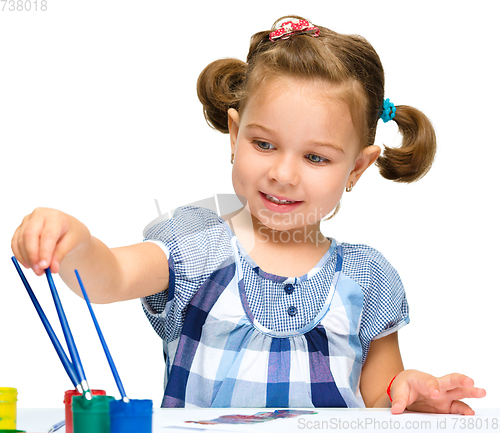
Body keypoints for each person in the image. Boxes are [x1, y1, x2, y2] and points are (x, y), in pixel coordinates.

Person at [11, 16, 486, 414]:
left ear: (357, 167)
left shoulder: (367, 278)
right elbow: (109, 275)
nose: (282, 173)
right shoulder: (193, 247)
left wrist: (411, 397)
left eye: (316, 158)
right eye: (264, 144)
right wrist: (73, 244)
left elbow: (382, 398)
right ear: (234, 135)